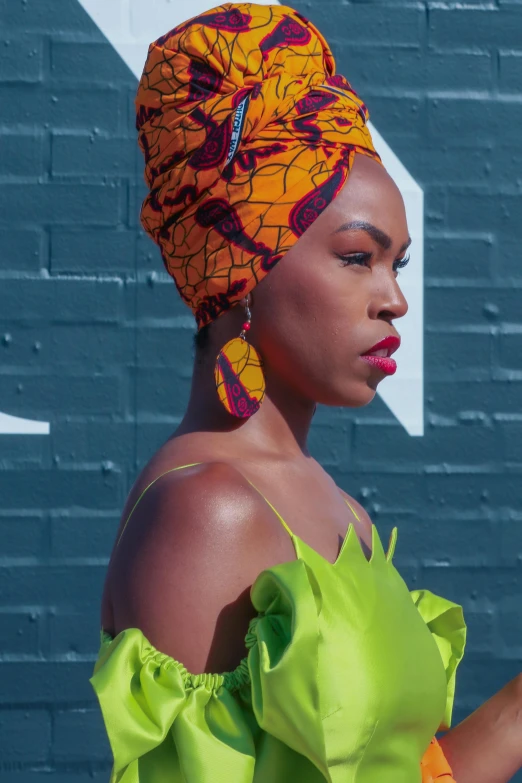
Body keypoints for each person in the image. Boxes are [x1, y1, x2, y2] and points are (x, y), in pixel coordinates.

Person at [90, 4, 522, 782]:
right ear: (239, 266)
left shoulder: (331, 504)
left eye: (400, 265)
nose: (395, 300)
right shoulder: (210, 511)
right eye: (358, 257)